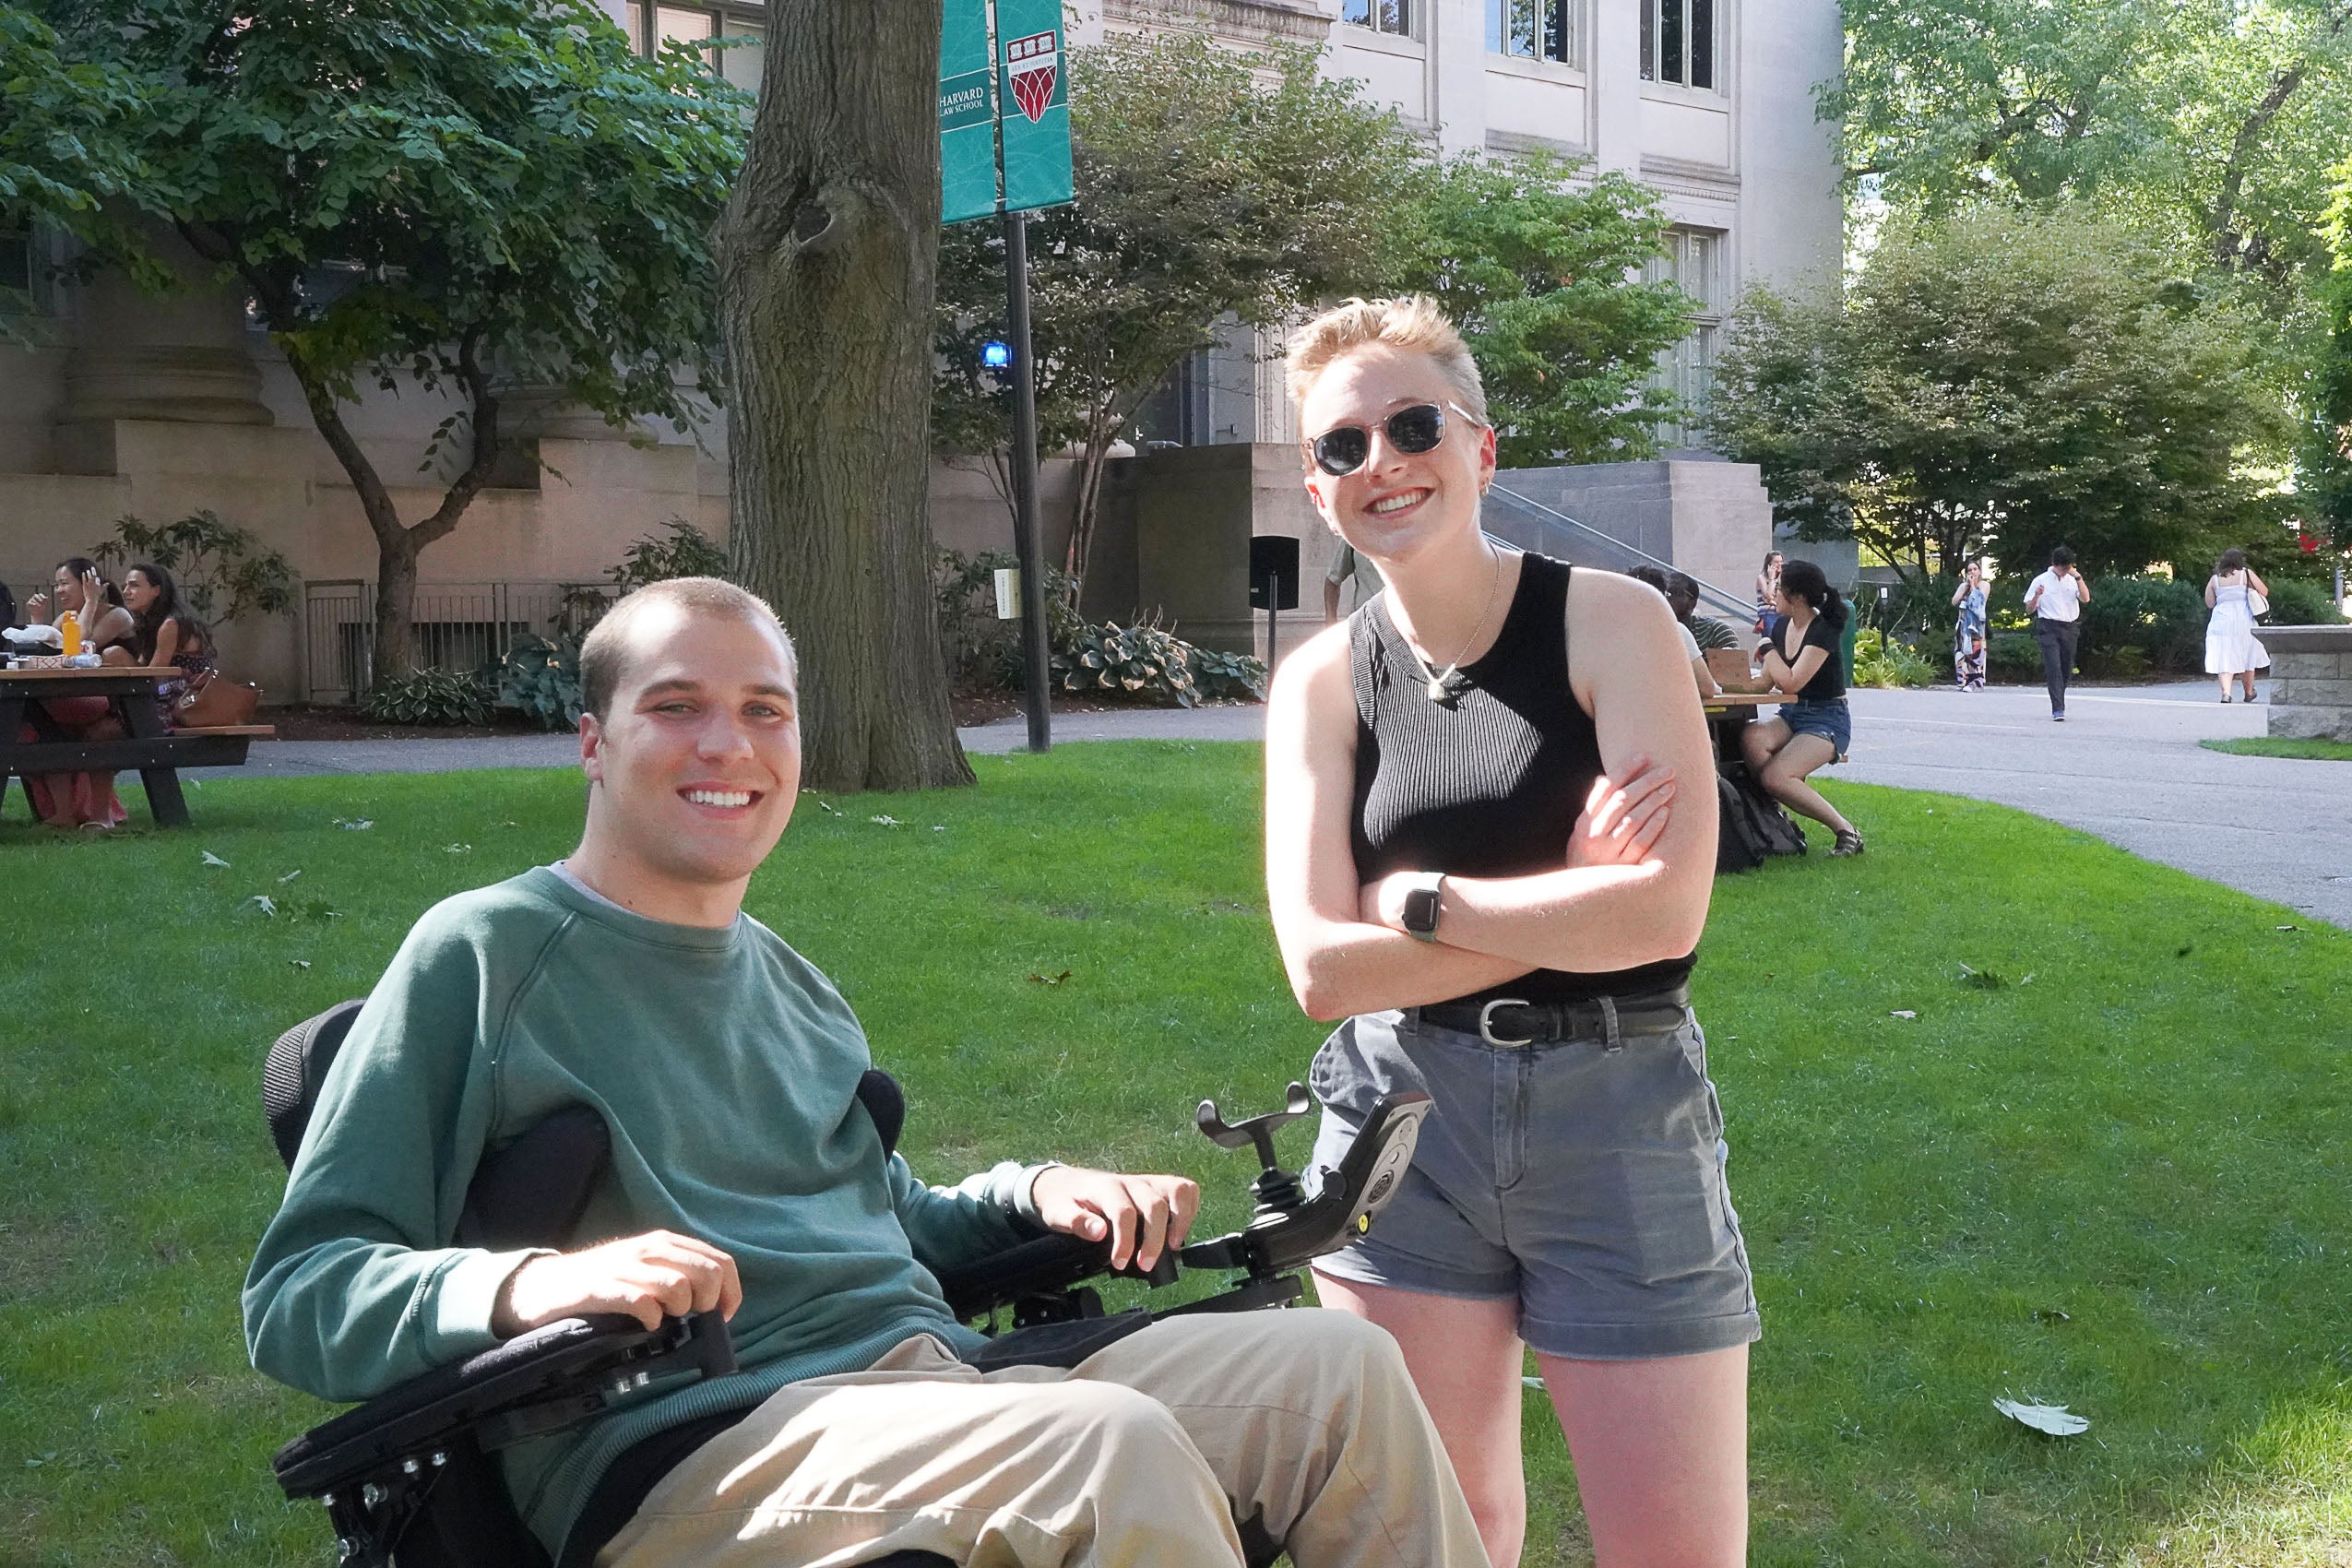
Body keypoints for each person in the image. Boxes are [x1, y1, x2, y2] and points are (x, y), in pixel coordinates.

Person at [244, 576, 1485, 1568]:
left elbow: (878, 1215)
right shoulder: (487, 954)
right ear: (592, 740)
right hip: (685, 1445)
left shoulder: (784, 976)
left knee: (1340, 1374)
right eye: (675, 706)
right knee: (1106, 1454)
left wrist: (1035, 1187)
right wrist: (529, 1286)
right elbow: (301, 1291)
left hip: (922, 1379)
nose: (726, 744)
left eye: (764, 710)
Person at [1265, 295, 1753, 1568]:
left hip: (1615, 1104)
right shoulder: (1319, 683)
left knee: (1674, 1548)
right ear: (1318, 491)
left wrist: (1425, 905)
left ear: (1480, 449)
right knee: (1445, 1532)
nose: (1381, 462)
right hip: (1398, 1119)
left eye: (1412, 424)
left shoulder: (1615, 623)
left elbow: (1663, 911)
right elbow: (1319, 969)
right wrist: (1570, 906)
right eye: (1341, 446)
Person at [1744, 558, 1864, 857]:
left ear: (1796, 597)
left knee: (1776, 776)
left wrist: (1768, 648)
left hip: (1827, 719)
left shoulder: (1822, 629)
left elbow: (1792, 683)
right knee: (1750, 738)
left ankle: (1846, 830)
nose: (1773, 596)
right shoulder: (1783, 624)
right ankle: (1777, 818)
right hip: (1793, 714)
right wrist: (1720, 683)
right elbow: (1764, 683)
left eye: (1779, 589)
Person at [13, 558, 136, 830]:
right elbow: (45, 653)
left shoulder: (116, 615)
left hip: (115, 708)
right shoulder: (64, 618)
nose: (59, 590)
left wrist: (92, 602)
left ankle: (98, 815)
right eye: (57, 584)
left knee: (91, 730)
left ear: (88, 583)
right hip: (77, 700)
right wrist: (37, 621)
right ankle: (63, 813)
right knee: (34, 722)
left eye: (65, 583)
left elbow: (77, 647)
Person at [109, 561, 217, 721]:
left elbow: (154, 675)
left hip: (186, 697)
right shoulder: (151, 623)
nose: (126, 592)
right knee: (114, 654)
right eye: (125, 586)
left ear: (156, 590)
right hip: (165, 688)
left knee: (114, 656)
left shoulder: (170, 624)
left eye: (134, 586)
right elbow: (143, 666)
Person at [2022, 546, 2090, 721]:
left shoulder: (2073, 579)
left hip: (2070, 627)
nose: (2064, 572)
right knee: (2053, 666)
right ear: (2054, 564)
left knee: (2066, 668)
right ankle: (2058, 708)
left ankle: (2060, 695)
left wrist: (2078, 577)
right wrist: (2037, 596)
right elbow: (2029, 609)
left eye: (2068, 568)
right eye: (2062, 568)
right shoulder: (2041, 580)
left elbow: (2085, 598)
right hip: (2048, 627)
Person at [1630, 565, 1718, 697]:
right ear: (1661, 597)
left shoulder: (1609, 631)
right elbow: (1706, 688)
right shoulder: (1674, 630)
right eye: (1669, 594)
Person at [2204, 547, 2270, 703]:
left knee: (2224, 655)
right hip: (2243, 619)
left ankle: (2226, 693)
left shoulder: (2215, 579)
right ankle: (2248, 692)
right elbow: (2264, 591)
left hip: (2221, 621)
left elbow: (2210, 603)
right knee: (2247, 655)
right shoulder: (2246, 574)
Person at [1324, 539, 1384, 622]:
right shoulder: (1354, 532)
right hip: (1364, 620)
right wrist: (1331, 619)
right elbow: (1333, 579)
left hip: (1401, 621)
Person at [1951, 560, 1988, 692]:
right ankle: (1962, 680)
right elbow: (1954, 601)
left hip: (1976, 626)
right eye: (1969, 570)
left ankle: (1975, 683)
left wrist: (1972, 586)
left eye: (1974, 569)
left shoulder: (1984, 585)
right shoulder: (1963, 586)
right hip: (1962, 625)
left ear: (1979, 571)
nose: (1972, 572)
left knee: (1976, 653)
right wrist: (1965, 587)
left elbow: (1979, 601)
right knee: (1961, 653)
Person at [1753, 550, 1782, 637]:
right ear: (1769, 564)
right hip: (1768, 614)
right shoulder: (1762, 577)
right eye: (1776, 562)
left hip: (1781, 613)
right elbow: (1769, 596)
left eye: (1781, 561)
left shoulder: (1781, 577)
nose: (1779, 564)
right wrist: (1772, 578)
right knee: (1770, 640)